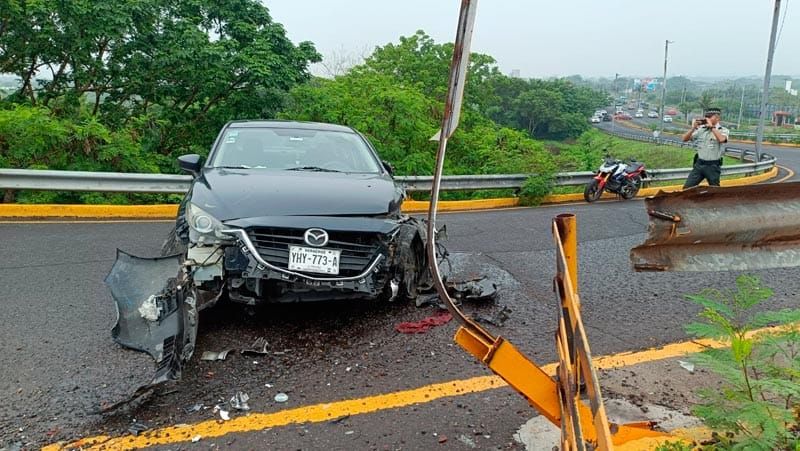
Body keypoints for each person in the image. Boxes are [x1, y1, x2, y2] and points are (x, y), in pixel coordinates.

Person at [681, 107, 729, 188]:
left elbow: (721, 139)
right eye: (707, 116)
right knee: (687, 188)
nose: (707, 119)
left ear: (717, 118)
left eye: (710, 117)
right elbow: (684, 139)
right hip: (699, 164)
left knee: (715, 190)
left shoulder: (723, 130)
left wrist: (712, 127)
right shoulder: (701, 130)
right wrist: (693, 128)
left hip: (712, 166)